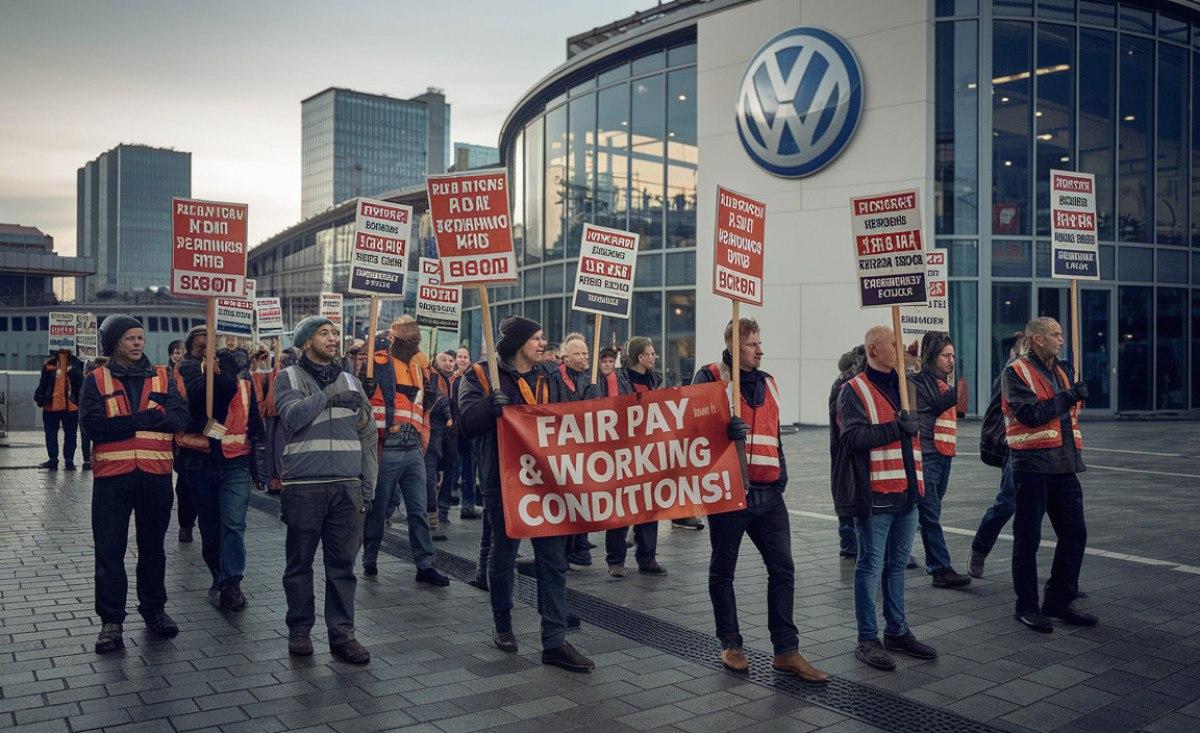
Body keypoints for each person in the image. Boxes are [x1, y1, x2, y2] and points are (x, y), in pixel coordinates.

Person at [692, 318, 825, 682]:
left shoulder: (769, 383)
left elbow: (774, 434)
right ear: (734, 345)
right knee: (723, 570)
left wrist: (781, 475)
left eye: (760, 342)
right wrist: (721, 430)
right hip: (729, 495)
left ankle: (786, 651)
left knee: (783, 569)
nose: (760, 349)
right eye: (752, 343)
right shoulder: (709, 378)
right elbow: (690, 430)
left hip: (768, 494)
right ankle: (731, 643)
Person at [459, 315, 594, 672]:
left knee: (553, 560)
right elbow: (465, 425)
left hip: (545, 482)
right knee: (503, 557)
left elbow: (569, 419)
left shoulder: (548, 376)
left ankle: (554, 640)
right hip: (503, 481)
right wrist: (490, 407)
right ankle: (503, 625)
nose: (543, 343)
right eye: (537, 337)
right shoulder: (480, 374)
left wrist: (588, 403)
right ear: (520, 343)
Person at [80, 315, 188, 653]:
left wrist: (129, 422)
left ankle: (154, 610)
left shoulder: (163, 376)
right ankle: (111, 622)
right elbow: (93, 427)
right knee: (109, 551)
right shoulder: (95, 379)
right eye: (130, 338)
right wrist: (142, 420)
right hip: (112, 479)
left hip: (155, 477)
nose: (138, 343)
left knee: (153, 549)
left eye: (140, 337)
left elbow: (180, 418)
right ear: (114, 343)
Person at [273, 316, 377, 663]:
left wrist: (368, 481)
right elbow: (292, 417)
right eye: (324, 333)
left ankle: (342, 634)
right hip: (304, 485)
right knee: (299, 563)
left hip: (347, 485)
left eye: (335, 333)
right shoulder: (288, 377)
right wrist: (329, 395)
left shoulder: (351, 379)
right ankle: (300, 630)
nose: (333, 338)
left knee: (343, 566)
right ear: (306, 342)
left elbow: (367, 431)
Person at [836, 325, 938, 671]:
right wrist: (899, 427)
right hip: (875, 494)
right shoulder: (852, 390)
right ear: (873, 350)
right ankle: (867, 637)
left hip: (908, 491)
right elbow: (853, 438)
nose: (899, 346)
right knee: (870, 566)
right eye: (893, 342)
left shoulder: (906, 385)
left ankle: (896, 630)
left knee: (896, 567)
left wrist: (918, 360)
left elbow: (937, 396)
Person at [1002, 317, 1096, 633]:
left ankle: (1058, 599)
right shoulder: (1016, 371)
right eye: (1055, 334)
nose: (1061, 339)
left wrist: (1075, 393)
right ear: (1037, 339)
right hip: (1031, 466)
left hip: (1065, 464)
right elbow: (1030, 415)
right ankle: (1026, 606)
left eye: (1061, 333)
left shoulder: (1063, 370)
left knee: (1075, 533)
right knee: (1028, 538)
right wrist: (1069, 396)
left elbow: (1066, 415)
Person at [176, 327, 264, 612]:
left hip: (235, 462)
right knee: (211, 526)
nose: (207, 351)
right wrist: (215, 374)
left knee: (234, 524)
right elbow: (201, 400)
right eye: (202, 347)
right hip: (200, 462)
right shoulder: (187, 372)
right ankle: (218, 576)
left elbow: (254, 425)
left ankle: (232, 581)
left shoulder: (241, 380)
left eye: (211, 346)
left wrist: (261, 469)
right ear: (192, 351)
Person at [359, 317, 449, 585]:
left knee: (418, 510)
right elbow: (367, 397)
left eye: (417, 339)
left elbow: (426, 404)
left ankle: (424, 564)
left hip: (412, 449)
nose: (414, 343)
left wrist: (430, 374)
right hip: (387, 448)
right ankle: (370, 560)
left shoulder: (421, 367)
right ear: (395, 338)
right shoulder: (379, 363)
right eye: (409, 339)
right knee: (379, 508)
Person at [911, 332, 971, 589]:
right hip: (929, 456)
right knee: (930, 514)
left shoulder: (940, 382)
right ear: (932, 357)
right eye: (946, 355)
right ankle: (940, 568)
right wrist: (958, 389)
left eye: (954, 356)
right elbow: (937, 405)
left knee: (922, 513)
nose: (952, 361)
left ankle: (895, 554)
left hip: (943, 454)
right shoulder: (921, 381)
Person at [968, 333, 1025, 578]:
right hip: (1016, 447)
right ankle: (979, 549)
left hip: (1046, 450)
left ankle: (1066, 580)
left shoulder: (1051, 371)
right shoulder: (1011, 372)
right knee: (1007, 502)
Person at [829, 346, 865, 559]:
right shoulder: (849, 384)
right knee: (849, 491)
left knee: (845, 491)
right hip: (847, 449)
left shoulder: (841, 381)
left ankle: (848, 542)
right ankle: (850, 543)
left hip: (840, 449)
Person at [35, 348, 83, 470]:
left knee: (56, 433)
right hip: (66, 406)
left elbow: (43, 383)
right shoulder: (76, 363)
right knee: (68, 434)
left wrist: (39, 397)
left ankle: (58, 460)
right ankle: (67, 460)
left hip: (62, 405)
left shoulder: (50, 363)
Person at [429, 349, 458, 536]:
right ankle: (432, 512)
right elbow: (440, 400)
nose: (448, 363)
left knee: (449, 469)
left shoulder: (454, 380)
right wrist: (448, 416)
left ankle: (443, 509)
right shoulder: (434, 378)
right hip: (435, 431)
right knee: (431, 472)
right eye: (444, 359)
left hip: (449, 432)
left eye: (451, 360)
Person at [449, 347, 480, 519]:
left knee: (469, 468)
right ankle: (445, 505)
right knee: (452, 466)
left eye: (465, 357)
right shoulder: (451, 378)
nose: (462, 360)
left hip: (467, 429)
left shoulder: (472, 378)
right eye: (459, 357)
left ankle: (468, 506)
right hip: (453, 428)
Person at [79, 356, 109, 471]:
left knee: (85, 437)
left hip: (88, 412)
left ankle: (87, 460)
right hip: (99, 413)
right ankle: (93, 459)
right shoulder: (97, 378)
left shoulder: (89, 378)